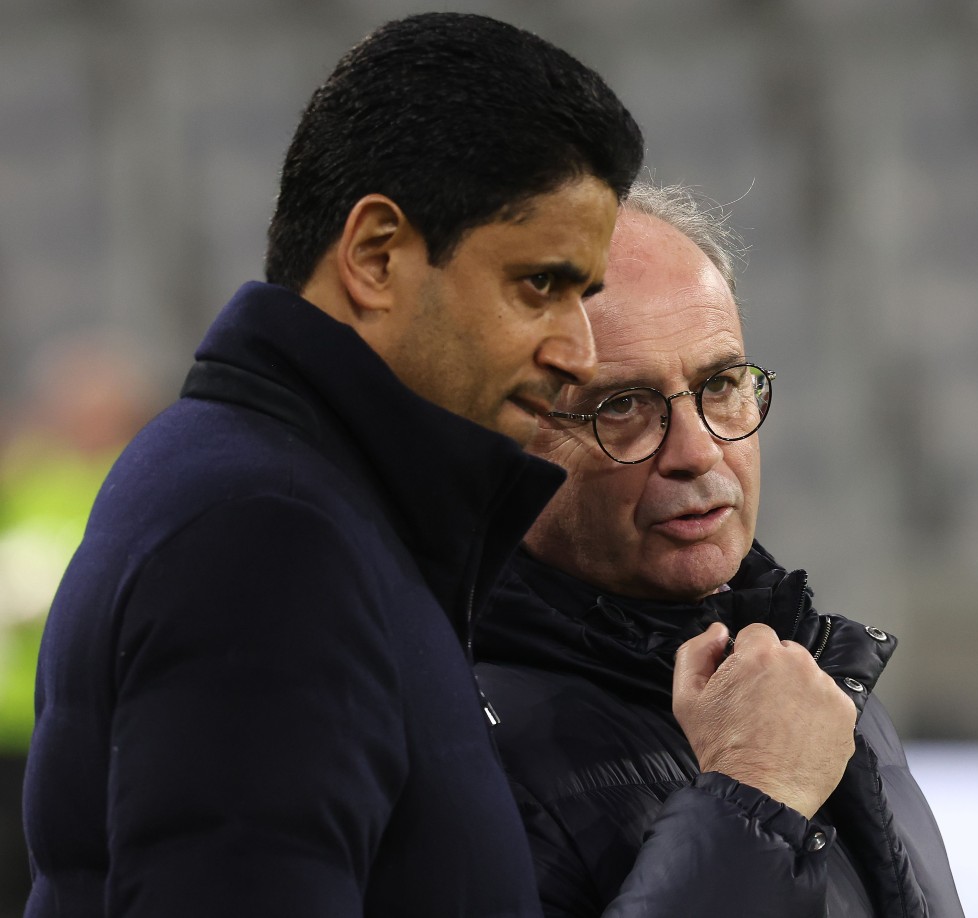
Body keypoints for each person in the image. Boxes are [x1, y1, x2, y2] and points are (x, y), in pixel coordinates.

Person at [22, 14, 643, 917]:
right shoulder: (266, 537)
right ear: (376, 256)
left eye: (585, 295)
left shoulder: (280, 489)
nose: (580, 351)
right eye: (540, 284)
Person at [474, 183, 966, 916]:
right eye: (623, 406)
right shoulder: (454, 747)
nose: (698, 452)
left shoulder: (818, 679)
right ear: (506, 436)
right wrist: (753, 796)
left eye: (722, 383)